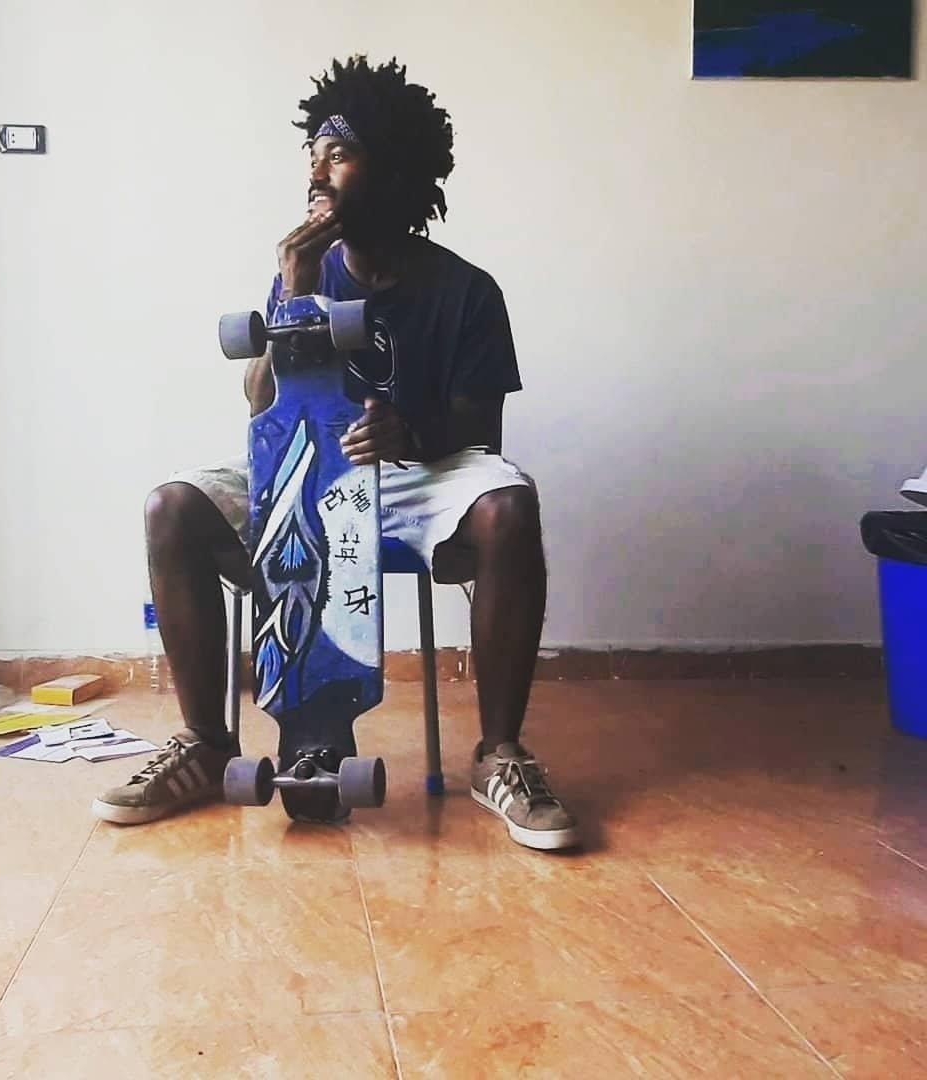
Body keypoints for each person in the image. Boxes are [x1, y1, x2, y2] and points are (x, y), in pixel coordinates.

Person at [92, 56, 579, 852]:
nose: (315, 170)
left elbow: (480, 433)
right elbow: (259, 401)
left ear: (392, 167)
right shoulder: (302, 271)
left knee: (508, 504)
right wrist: (293, 289)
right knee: (171, 506)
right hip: (301, 469)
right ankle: (206, 743)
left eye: (338, 152)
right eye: (312, 153)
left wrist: (408, 434)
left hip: (418, 478)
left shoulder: (467, 291)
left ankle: (500, 755)